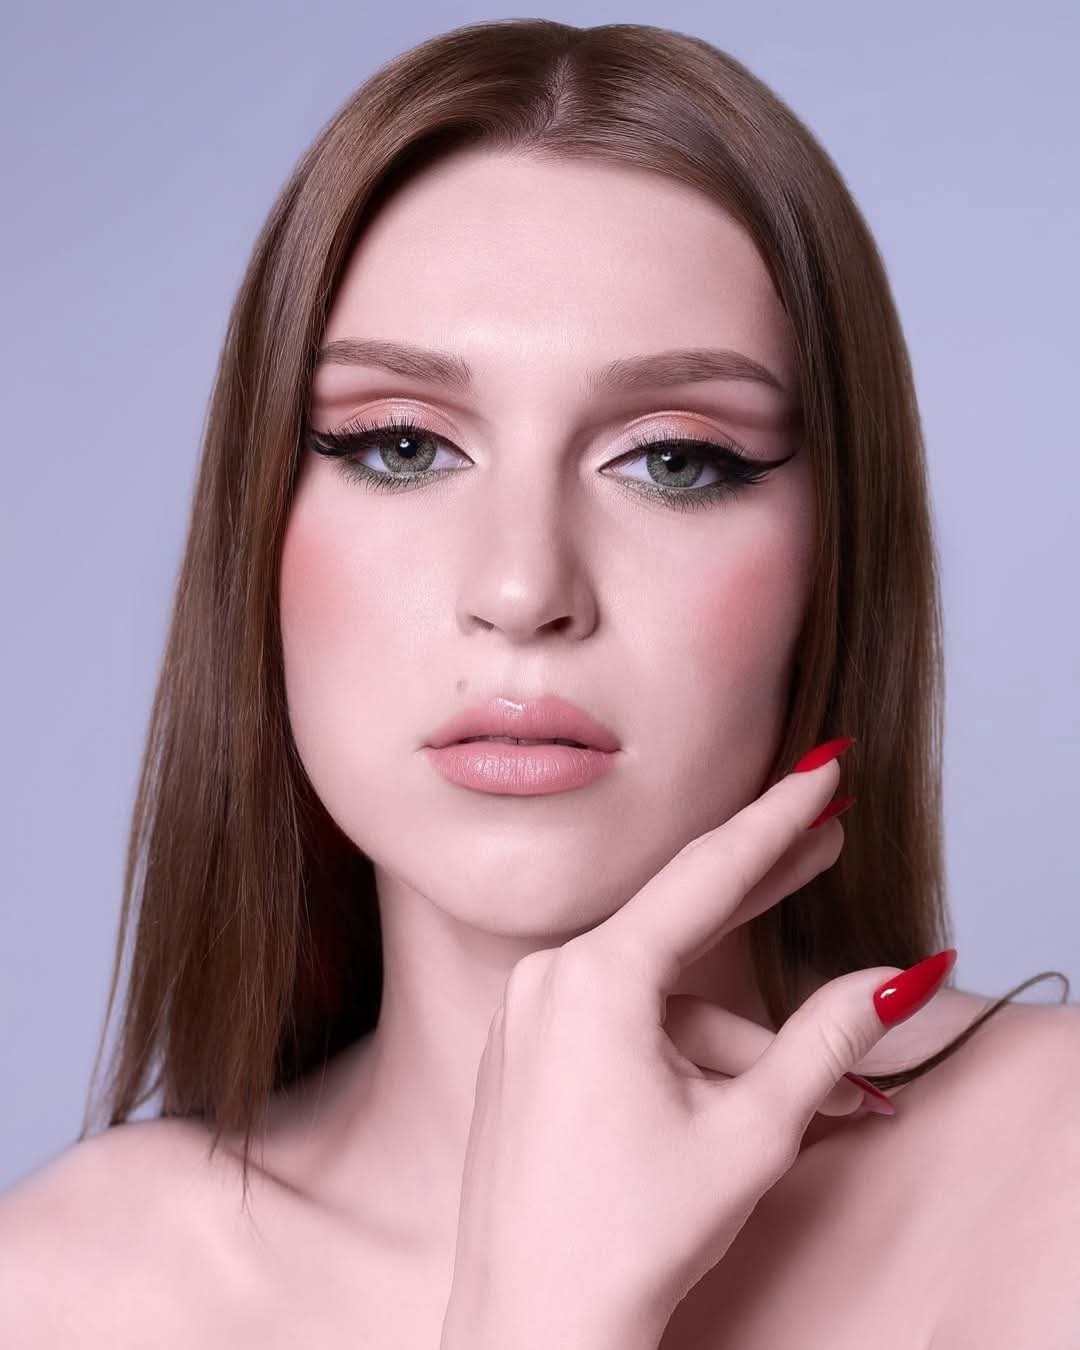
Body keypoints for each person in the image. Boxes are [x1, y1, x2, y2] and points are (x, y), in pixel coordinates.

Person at [2, 18, 1076, 1348]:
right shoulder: (61, 1295)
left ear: (835, 557)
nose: (521, 587)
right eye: (402, 445)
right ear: (258, 529)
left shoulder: (1054, 1175)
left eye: (674, 459)